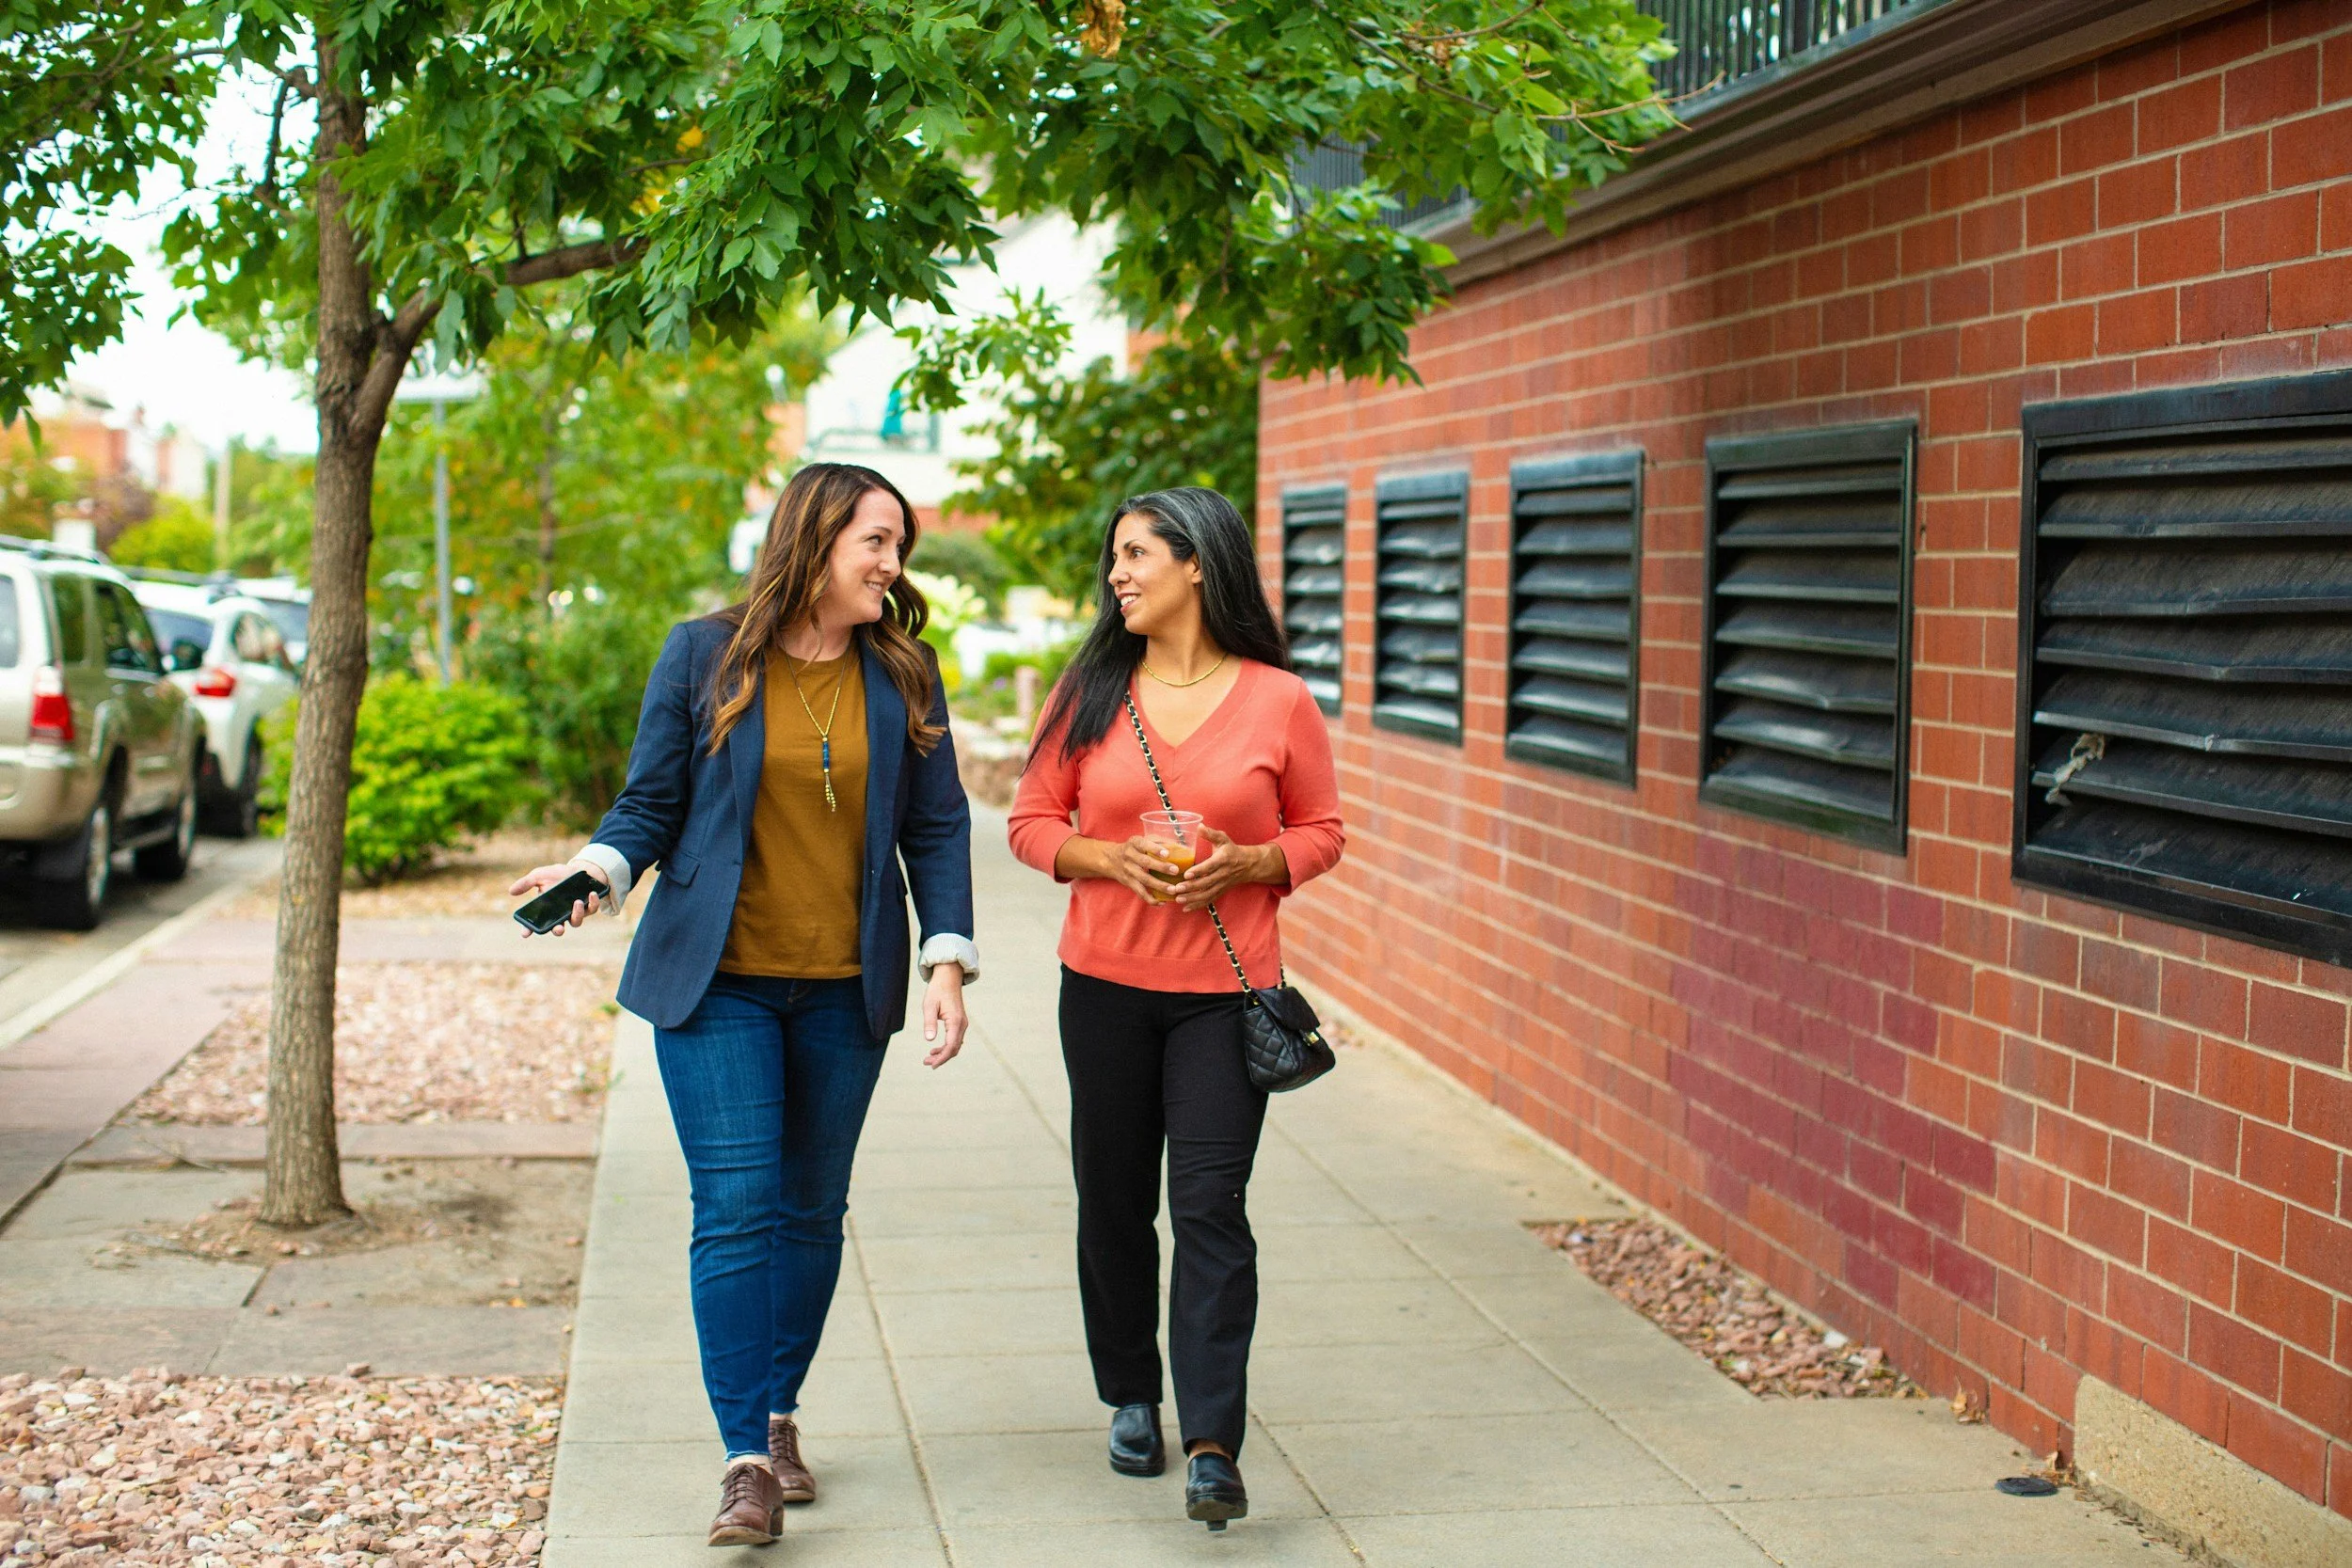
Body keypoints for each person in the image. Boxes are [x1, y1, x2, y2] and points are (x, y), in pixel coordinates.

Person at [509, 462, 977, 1548]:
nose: (891, 563)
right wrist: (594, 872)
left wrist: (946, 960)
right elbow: (650, 801)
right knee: (735, 1206)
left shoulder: (903, 671)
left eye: (898, 545)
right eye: (875, 541)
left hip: (844, 985)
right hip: (716, 981)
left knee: (811, 1210)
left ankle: (776, 1409)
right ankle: (745, 1460)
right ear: (815, 538)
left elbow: (938, 824)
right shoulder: (703, 653)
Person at [1007, 486, 1343, 1529]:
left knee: (1209, 1207)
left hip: (1223, 1001)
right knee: (1113, 1201)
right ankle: (1129, 1394)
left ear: (1198, 562)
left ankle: (1211, 1443)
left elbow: (1322, 829)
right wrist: (1107, 857)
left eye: (1136, 553)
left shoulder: (1279, 700)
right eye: (1113, 558)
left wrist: (1253, 861)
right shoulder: (1089, 691)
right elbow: (1030, 821)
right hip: (1103, 989)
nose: (1117, 574)